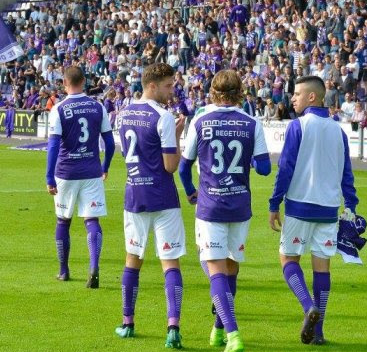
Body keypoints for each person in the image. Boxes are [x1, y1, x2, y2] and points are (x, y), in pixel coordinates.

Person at [179, 70, 271, 352]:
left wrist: (191, 192)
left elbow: (184, 167)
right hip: (240, 205)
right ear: (240, 92)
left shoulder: (201, 122)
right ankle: (219, 328)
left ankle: (233, 334)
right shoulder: (251, 123)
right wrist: (247, 162)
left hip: (211, 205)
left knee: (216, 268)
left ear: (213, 92)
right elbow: (265, 168)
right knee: (231, 268)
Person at [269, 75, 358, 346]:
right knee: (322, 269)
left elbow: (285, 168)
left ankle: (308, 306)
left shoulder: (298, 126)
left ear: (312, 97)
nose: (292, 98)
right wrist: (351, 206)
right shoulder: (339, 131)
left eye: (296, 94)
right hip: (329, 211)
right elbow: (346, 173)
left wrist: (274, 203)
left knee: (288, 260)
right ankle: (318, 333)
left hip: (299, 207)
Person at [113, 62, 188, 348]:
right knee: (170, 262)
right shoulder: (164, 117)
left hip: (135, 196)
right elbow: (170, 166)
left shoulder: (123, 114)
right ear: (152, 85)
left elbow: (127, 155)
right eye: (169, 86)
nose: (173, 91)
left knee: (133, 259)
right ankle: (173, 328)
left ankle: (127, 322)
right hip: (163, 197)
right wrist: (178, 135)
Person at [46, 66, 115, 286]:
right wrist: (105, 166)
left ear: (64, 83)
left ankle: (64, 270)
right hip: (92, 171)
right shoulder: (98, 107)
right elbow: (110, 143)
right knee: (92, 220)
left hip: (66, 172)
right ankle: (94, 265)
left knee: (63, 221)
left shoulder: (58, 109)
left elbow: (54, 146)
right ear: (84, 81)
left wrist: (49, 177)